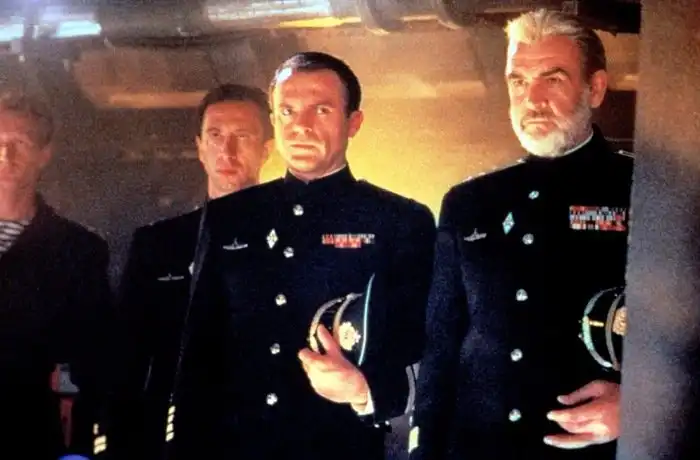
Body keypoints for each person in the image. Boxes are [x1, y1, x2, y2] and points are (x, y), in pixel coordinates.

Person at [167, 51, 436, 460]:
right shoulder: (230, 217)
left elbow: (423, 351)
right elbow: (197, 356)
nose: (301, 126)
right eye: (288, 111)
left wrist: (364, 391)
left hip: (341, 448)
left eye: (321, 110)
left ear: (353, 122)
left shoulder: (399, 220)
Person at [409, 8, 633, 460]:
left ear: (595, 88)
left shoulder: (646, 191)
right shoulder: (470, 201)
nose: (532, 99)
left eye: (553, 79)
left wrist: (643, 405)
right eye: (518, 81)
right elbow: (441, 348)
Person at [109, 83, 273, 459]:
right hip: (177, 436)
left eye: (242, 136)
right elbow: (127, 361)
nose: (227, 150)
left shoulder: (293, 241)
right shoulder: (158, 244)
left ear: (267, 149)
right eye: (215, 135)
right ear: (199, 147)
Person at [0, 89, 112, 459]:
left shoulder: (79, 250)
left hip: (31, 435)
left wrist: (77, 450)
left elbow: (91, 363)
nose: (5, 155)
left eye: (19, 143)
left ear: (44, 154)